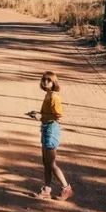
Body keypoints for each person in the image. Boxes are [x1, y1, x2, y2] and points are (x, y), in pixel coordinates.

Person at [27, 71, 72, 200]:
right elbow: (47, 113)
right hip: (46, 128)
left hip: (52, 129)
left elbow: (58, 115)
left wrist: (41, 116)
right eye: (44, 79)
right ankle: (47, 189)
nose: (45, 82)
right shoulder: (48, 95)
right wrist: (37, 113)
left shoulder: (54, 97)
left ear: (54, 83)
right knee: (46, 162)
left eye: (49, 80)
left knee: (51, 163)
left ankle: (66, 188)